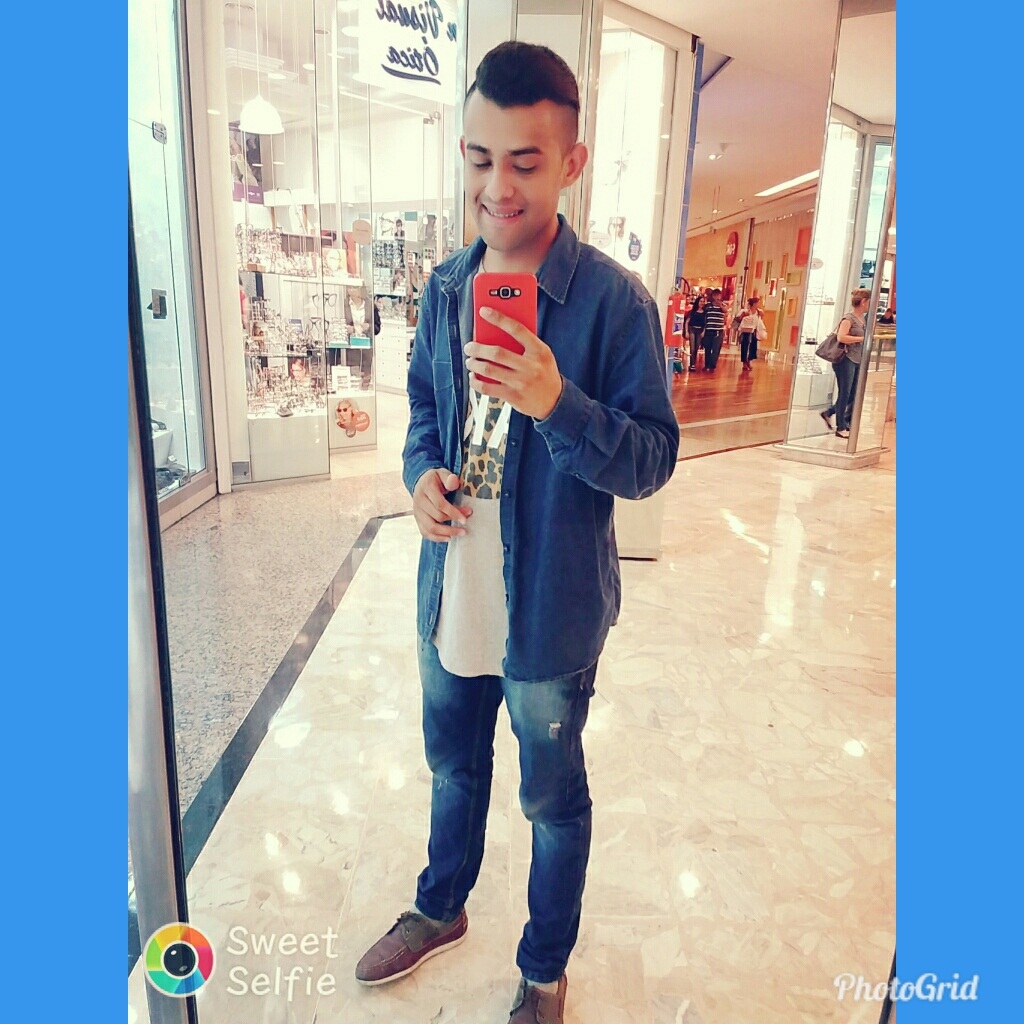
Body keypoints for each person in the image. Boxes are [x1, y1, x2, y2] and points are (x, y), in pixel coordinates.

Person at [354, 40, 679, 1024]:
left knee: (550, 800)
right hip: (452, 584)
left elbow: (651, 459)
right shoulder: (445, 287)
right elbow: (423, 409)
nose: (496, 187)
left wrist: (556, 402)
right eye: (479, 157)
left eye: (524, 162)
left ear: (571, 162)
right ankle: (440, 904)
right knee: (452, 766)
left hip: (550, 607)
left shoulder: (615, 304)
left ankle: (543, 972)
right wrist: (419, 476)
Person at [820, 287, 871, 439]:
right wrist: (861, 339)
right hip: (845, 359)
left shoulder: (863, 319)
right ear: (863, 302)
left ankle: (830, 413)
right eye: (869, 302)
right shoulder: (849, 319)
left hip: (857, 359)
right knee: (845, 393)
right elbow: (841, 337)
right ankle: (841, 426)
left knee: (853, 393)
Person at [345, 286, 381, 389]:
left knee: (366, 378)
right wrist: (346, 329)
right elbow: (337, 324)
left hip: (366, 349)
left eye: (354, 288)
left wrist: (369, 327)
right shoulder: (344, 305)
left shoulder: (370, 305)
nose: (351, 290)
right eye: (350, 288)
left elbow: (377, 328)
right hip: (350, 349)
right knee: (353, 378)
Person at [736, 296, 766, 371]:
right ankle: (744, 363)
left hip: (754, 332)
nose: (759, 305)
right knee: (745, 347)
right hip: (745, 331)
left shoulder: (758, 312)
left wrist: (761, 314)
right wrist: (743, 315)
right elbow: (738, 319)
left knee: (752, 347)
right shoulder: (745, 311)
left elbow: (761, 318)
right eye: (758, 303)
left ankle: (748, 362)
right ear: (754, 303)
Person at [701, 287, 728, 371]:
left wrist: (720, 305)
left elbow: (725, 311)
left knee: (716, 349)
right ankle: (707, 365)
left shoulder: (723, 305)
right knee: (707, 349)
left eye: (718, 295)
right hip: (709, 330)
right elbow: (704, 315)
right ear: (712, 296)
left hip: (718, 331)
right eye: (715, 295)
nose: (717, 297)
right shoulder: (708, 306)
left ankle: (712, 366)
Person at [685, 292, 706, 371]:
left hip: (700, 330)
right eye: (701, 301)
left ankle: (693, 363)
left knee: (697, 347)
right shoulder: (692, 312)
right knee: (692, 347)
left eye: (703, 301)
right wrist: (686, 331)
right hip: (692, 329)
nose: (702, 303)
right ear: (698, 302)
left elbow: (705, 323)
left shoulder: (705, 313)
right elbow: (687, 322)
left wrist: (703, 332)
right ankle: (692, 364)